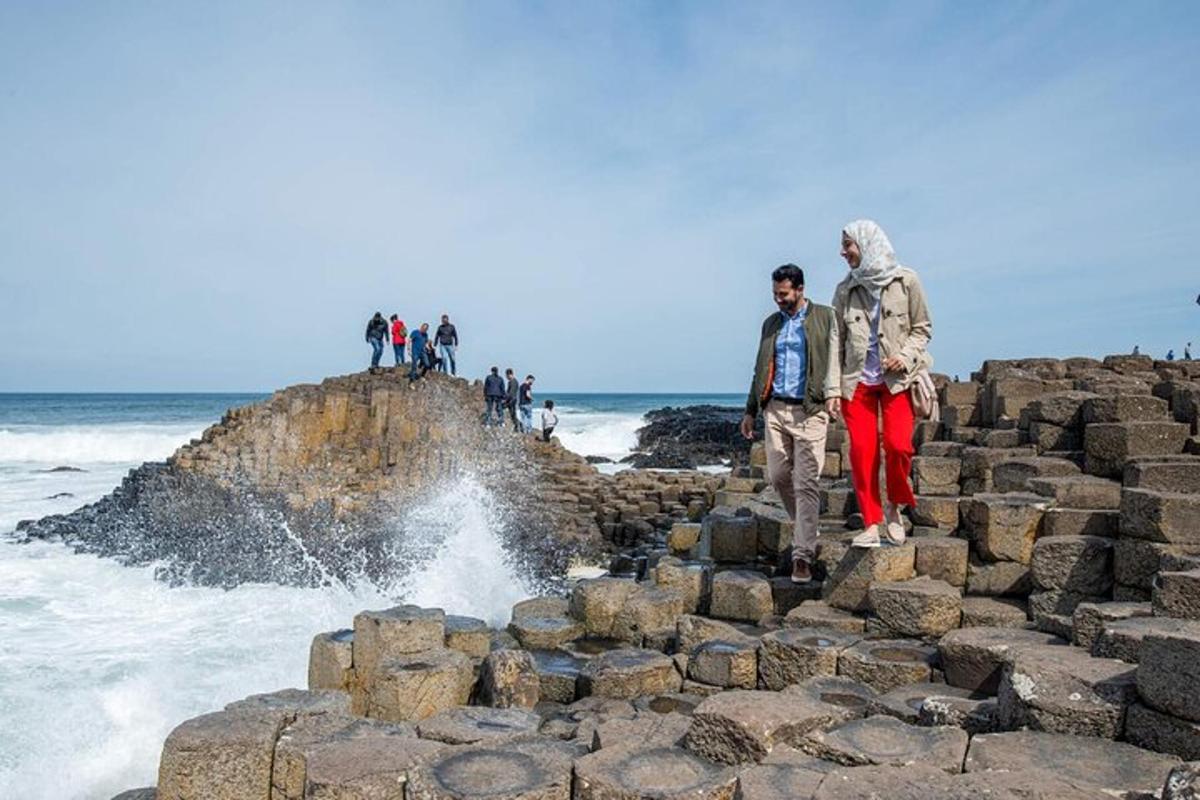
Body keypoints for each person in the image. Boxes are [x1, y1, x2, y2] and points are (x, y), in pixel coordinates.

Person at [834, 219, 932, 550]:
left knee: (899, 446)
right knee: (862, 453)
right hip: (857, 382)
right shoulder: (845, 290)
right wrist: (833, 390)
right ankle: (872, 522)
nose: (843, 251)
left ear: (867, 244)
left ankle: (894, 508)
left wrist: (904, 356)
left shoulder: (907, 281)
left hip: (897, 381)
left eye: (848, 245)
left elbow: (922, 328)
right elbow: (837, 342)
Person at [739, 264, 840, 584]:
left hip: (811, 410)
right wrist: (751, 410)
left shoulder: (825, 317)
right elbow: (760, 368)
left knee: (806, 483)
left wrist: (837, 395)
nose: (778, 300)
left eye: (783, 294)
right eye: (774, 295)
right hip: (776, 410)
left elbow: (840, 357)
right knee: (780, 477)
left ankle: (802, 555)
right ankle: (806, 526)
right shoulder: (771, 324)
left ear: (800, 289)